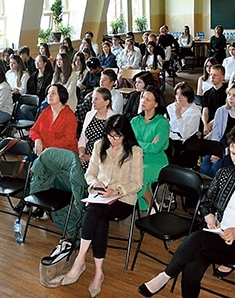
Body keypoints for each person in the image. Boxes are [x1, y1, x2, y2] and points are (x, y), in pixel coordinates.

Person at [138, 127, 235, 298]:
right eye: (233, 153)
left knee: (197, 239)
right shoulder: (224, 174)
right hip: (216, 235)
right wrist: (209, 216)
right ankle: (166, 278)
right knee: (192, 265)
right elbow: (206, 202)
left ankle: (164, 276)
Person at [63, 115, 143, 297]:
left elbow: (137, 184)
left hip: (123, 199)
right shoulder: (100, 145)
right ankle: (97, 272)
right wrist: (96, 184)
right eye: (110, 135)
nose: (112, 140)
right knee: (98, 215)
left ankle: (80, 261)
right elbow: (89, 174)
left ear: (125, 135)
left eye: (117, 136)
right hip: (100, 196)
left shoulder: (135, 151)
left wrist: (116, 191)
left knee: (94, 212)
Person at [199, 83, 235, 177]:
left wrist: (223, 153)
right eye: (229, 94)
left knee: (217, 170)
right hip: (219, 143)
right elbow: (215, 133)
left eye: (234, 95)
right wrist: (215, 151)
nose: (230, 98)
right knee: (204, 168)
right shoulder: (221, 111)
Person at [131, 86, 170, 211]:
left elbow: (156, 148)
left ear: (156, 104)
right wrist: (147, 144)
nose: (143, 101)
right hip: (136, 159)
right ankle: (148, 205)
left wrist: (137, 143)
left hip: (156, 162)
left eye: (148, 99)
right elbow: (128, 143)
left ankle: (151, 205)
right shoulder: (135, 121)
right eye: (143, 97)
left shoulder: (162, 123)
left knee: (139, 174)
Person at [30, 84, 78, 156]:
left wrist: (47, 148)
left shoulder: (69, 115)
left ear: (61, 95)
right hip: (44, 151)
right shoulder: (46, 112)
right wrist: (37, 140)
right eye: (48, 93)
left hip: (62, 153)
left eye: (53, 93)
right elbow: (33, 130)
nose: (49, 95)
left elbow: (68, 141)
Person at [78, 87, 116, 168]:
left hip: (103, 157)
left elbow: (113, 146)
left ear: (106, 102)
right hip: (86, 154)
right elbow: (82, 139)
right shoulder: (89, 115)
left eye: (96, 99)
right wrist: (81, 153)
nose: (92, 102)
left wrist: (92, 157)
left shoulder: (114, 119)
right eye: (92, 98)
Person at [167, 82, 201, 162]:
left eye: (182, 95)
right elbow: (165, 125)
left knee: (177, 154)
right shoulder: (170, 108)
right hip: (171, 137)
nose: (178, 97)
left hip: (186, 140)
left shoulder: (195, 112)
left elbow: (185, 133)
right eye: (177, 94)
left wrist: (178, 114)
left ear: (188, 96)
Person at [201, 65, 227, 135]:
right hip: (208, 125)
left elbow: (224, 113)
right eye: (211, 74)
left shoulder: (227, 93)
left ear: (222, 77)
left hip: (223, 123)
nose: (212, 77)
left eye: (215, 75)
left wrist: (209, 125)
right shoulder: (207, 93)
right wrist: (205, 124)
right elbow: (205, 111)